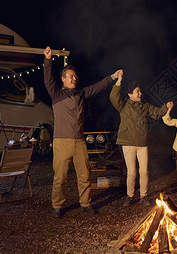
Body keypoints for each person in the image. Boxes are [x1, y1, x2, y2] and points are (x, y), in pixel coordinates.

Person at [43, 46, 123, 218]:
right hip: (62, 142)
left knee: (85, 174)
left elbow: (98, 86)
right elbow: (48, 79)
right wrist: (48, 60)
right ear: (63, 79)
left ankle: (85, 203)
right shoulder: (56, 94)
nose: (74, 78)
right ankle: (57, 206)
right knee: (60, 177)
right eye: (70, 76)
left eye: (75, 76)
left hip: (79, 141)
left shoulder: (81, 93)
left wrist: (112, 77)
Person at [110, 71, 171, 207]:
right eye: (137, 91)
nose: (140, 93)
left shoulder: (145, 107)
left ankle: (143, 196)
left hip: (142, 144)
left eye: (140, 91)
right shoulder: (124, 106)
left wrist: (165, 107)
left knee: (144, 171)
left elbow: (156, 113)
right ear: (130, 94)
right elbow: (114, 97)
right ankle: (130, 196)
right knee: (131, 172)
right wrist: (118, 81)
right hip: (128, 143)